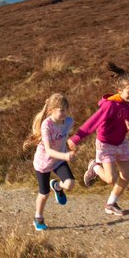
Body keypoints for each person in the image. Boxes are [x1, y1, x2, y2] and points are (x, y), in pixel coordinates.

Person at [68, 62, 129, 217]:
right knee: (110, 179)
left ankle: (110, 204)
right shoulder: (110, 106)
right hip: (105, 144)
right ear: (119, 90)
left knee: (127, 175)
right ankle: (94, 167)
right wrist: (76, 138)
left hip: (121, 143)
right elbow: (93, 122)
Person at [23, 92, 77, 231]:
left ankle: (57, 187)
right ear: (51, 110)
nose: (65, 113)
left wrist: (71, 142)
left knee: (70, 184)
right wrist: (65, 156)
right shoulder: (46, 126)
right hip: (44, 163)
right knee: (44, 193)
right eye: (61, 110)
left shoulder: (69, 122)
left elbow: (70, 135)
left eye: (66, 109)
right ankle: (38, 217)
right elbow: (48, 150)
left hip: (58, 160)